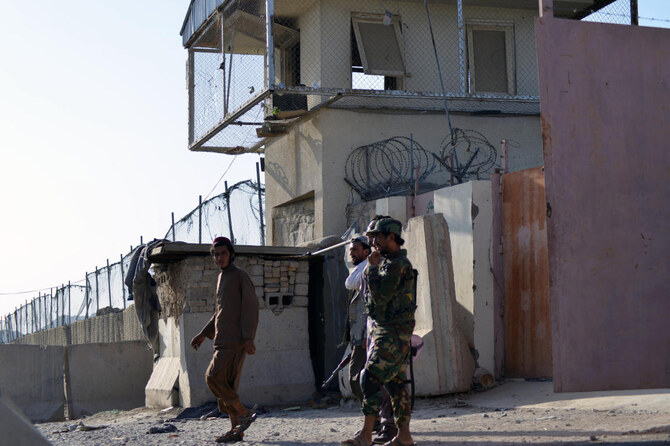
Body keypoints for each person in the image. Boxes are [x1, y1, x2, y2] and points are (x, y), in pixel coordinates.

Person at [342, 218, 417, 446]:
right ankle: (403, 436)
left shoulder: (395, 265)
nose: (373, 242)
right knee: (396, 385)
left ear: (391, 238)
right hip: (389, 332)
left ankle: (366, 434)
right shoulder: (389, 262)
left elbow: (381, 298)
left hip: (392, 333)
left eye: (377, 237)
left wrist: (372, 270)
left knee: (370, 376)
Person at [191, 236, 260, 443]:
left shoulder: (240, 276)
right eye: (216, 254)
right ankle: (236, 431)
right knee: (227, 386)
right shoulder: (221, 278)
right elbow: (220, 312)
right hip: (221, 340)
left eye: (223, 253)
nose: (219, 257)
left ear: (231, 254)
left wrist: (249, 337)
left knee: (212, 377)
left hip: (235, 342)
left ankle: (243, 412)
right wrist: (204, 333)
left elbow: (251, 307)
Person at [343, 235, 399, 444]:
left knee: (372, 380)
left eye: (355, 249)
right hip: (366, 334)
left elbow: (358, 286)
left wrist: (370, 266)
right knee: (362, 379)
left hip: (380, 335)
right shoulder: (367, 268)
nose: (352, 253)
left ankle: (386, 425)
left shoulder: (378, 267)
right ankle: (377, 423)